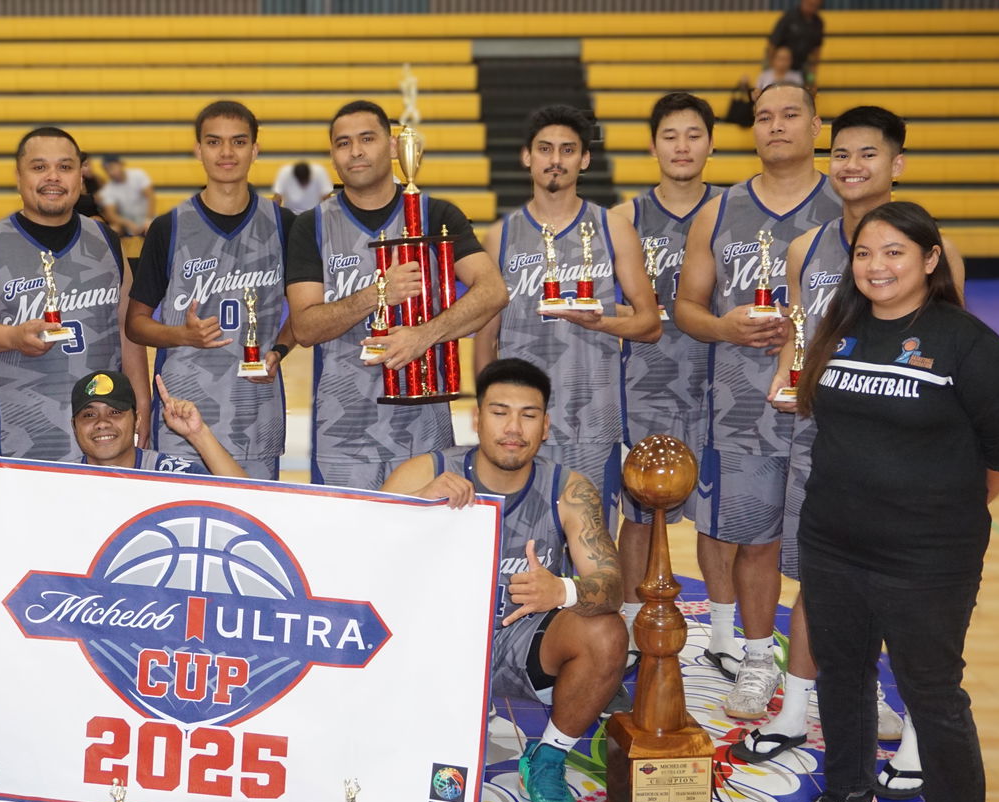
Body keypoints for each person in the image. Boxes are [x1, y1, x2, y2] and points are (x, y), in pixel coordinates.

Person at [777, 202, 999, 802]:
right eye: (865, 253)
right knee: (844, 672)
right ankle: (850, 793)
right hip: (833, 539)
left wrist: (939, 509)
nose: (877, 266)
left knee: (931, 691)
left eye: (895, 252)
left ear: (929, 260)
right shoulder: (842, 327)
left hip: (928, 555)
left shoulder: (966, 344)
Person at [735, 107, 964, 771]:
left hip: (903, 456)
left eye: (868, 154)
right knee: (819, 578)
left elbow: (954, 356)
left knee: (901, 589)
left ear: (897, 165)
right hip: (823, 444)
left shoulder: (933, 253)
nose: (851, 166)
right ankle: (797, 705)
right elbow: (798, 345)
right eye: (840, 154)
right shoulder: (806, 249)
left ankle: (914, 726)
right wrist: (785, 387)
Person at [382, 358, 626, 802]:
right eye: (499, 412)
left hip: (519, 642)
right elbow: (360, 567)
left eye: (528, 415)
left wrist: (563, 589)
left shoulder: (568, 489)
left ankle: (549, 758)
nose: (513, 428)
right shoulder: (424, 473)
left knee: (606, 633)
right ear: (477, 419)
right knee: (426, 791)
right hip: (436, 645)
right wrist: (416, 511)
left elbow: (613, 586)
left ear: (546, 424)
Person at [673, 81, 841, 720]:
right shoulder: (721, 211)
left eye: (790, 114)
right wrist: (726, 326)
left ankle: (829, 673)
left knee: (833, 549)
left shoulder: (848, 206)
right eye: (764, 117)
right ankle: (753, 658)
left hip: (830, 409)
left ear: (816, 125)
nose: (775, 126)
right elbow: (686, 307)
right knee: (754, 540)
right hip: (740, 408)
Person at [285, 99, 507, 489]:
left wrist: (423, 336)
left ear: (392, 146)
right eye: (343, 143)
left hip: (424, 430)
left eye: (367, 139)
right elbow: (304, 328)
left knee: (425, 547)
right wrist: (378, 293)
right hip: (343, 434)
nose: (355, 151)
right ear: (333, 156)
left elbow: (492, 291)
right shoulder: (311, 226)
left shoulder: (436, 214)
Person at [475, 104, 662, 530]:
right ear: (527, 156)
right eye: (545, 149)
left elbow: (649, 325)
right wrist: (491, 411)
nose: (555, 159)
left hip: (592, 418)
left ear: (584, 158)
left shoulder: (612, 227)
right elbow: (486, 338)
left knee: (591, 539)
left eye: (567, 149)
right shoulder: (500, 236)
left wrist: (602, 323)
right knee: (520, 536)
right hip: (520, 423)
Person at [0, 126, 151, 461]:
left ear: (81, 175)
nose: (53, 177)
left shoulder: (106, 242)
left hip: (104, 438)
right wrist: (11, 337)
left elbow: (127, 331)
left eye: (65, 167)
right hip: (18, 437)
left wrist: (142, 404)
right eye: (39, 167)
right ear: (19, 176)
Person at [608, 93, 725, 664]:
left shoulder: (733, 211)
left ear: (711, 142)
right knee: (639, 513)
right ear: (653, 145)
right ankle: (632, 625)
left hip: (724, 387)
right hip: (645, 386)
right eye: (671, 136)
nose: (682, 146)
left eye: (694, 135)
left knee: (719, 518)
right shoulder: (623, 218)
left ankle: (725, 640)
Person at [125, 100, 293, 480]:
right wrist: (180, 335)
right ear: (198, 150)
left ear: (255, 149)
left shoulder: (283, 225)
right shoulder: (169, 227)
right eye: (214, 142)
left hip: (257, 419)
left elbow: (305, 312)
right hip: (181, 420)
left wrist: (280, 350)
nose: (227, 152)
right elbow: (135, 325)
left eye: (238, 141)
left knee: (254, 530)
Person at [0, 370, 244, 478]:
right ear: (75, 427)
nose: (101, 423)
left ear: (137, 421)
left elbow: (247, 502)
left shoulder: (168, 473)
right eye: (89, 415)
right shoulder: (61, 482)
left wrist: (199, 434)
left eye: (115, 412)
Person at [766, 0, 825, 86]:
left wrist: (812, 76)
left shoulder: (818, 23)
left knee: (808, 87)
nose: (811, 8)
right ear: (803, 2)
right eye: (809, 4)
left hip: (801, 66)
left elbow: (816, 51)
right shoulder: (789, 17)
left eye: (815, 6)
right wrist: (772, 66)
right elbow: (772, 44)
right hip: (781, 63)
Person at [98, 155, 156, 238]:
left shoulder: (138, 175)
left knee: (153, 226)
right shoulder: (108, 189)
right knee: (113, 229)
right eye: (107, 170)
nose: (110, 172)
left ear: (120, 164)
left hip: (146, 218)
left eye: (112, 167)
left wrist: (148, 220)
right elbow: (111, 214)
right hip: (127, 224)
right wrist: (128, 224)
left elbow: (150, 196)